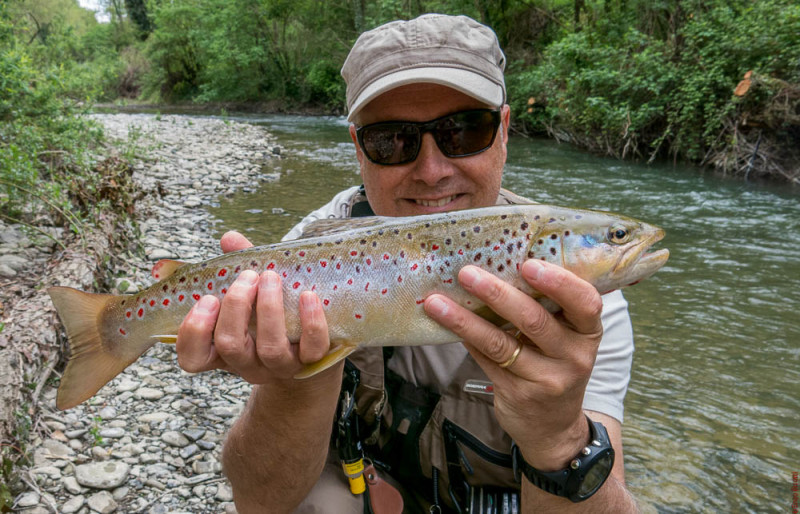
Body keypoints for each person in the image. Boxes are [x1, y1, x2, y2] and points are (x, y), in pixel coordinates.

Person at [176, 14, 640, 513]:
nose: (432, 170)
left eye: (463, 131)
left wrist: (559, 441)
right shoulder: (307, 256)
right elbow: (260, 503)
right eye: (392, 140)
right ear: (359, 150)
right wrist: (291, 384)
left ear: (504, 131)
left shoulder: (584, 309)